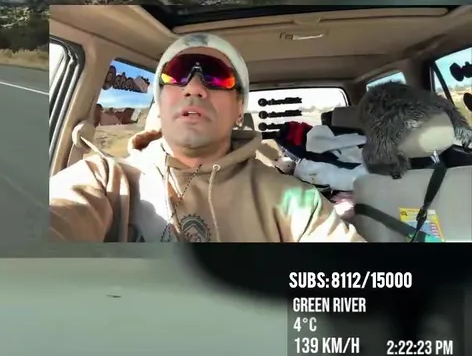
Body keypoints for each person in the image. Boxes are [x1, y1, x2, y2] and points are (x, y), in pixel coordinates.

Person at [50, 33, 364, 242]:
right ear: (160, 100)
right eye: (177, 74)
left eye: (216, 76)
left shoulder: (294, 200)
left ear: (239, 108)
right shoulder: (103, 180)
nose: (194, 87)